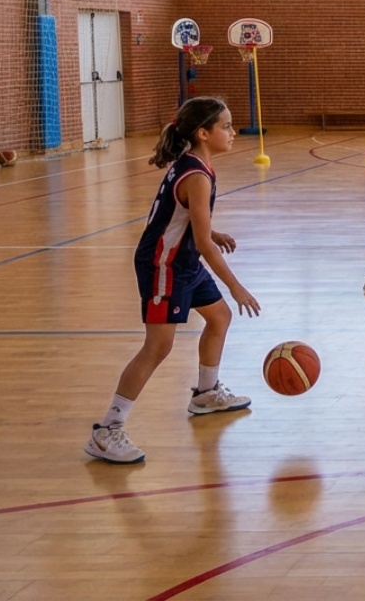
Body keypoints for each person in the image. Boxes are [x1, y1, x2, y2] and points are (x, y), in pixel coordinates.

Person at [84, 97, 260, 464]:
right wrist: (236, 285)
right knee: (157, 347)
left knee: (219, 317)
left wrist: (214, 232)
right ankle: (107, 430)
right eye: (225, 126)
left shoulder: (197, 165)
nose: (232, 132)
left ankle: (205, 393)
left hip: (183, 258)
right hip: (163, 264)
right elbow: (201, 241)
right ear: (203, 133)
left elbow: (185, 222)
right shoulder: (196, 175)